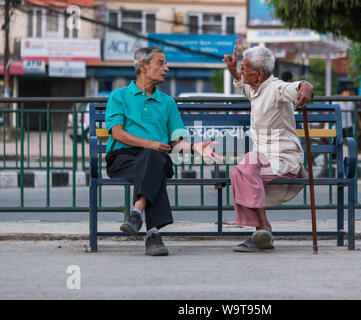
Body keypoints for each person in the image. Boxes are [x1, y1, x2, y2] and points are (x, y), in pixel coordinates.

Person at [105, 47, 220, 256]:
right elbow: (118, 134)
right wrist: (150, 144)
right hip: (123, 159)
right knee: (153, 161)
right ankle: (153, 235)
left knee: (153, 159)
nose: (166, 68)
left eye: (166, 63)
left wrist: (194, 147)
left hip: (156, 157)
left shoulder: (167, 102)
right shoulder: (118, 96)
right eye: (161, 63)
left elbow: (177, 143)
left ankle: (136, 213)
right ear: (143, 66)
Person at [223, 45, 314, 252]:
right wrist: (233, 70)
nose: (242, 72)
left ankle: (263, 228)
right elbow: (241, 83)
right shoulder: (254, 87)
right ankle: (262, 230)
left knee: (245, 168)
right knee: (239, 172)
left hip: (283, 158)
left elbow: (291, 88)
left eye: (245, 68)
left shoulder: (275, 88)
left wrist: (304, 85)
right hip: (263, 160)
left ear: (259, 73)